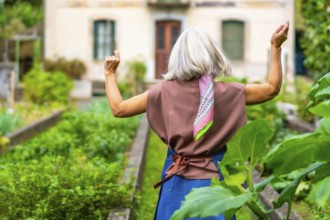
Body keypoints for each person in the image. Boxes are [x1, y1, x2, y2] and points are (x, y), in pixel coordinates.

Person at [104, 21, 289, 220]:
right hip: (212, 186)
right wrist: (276, 47)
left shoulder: (162, 92)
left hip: (175, 181)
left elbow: (119, 109)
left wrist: (109, 74)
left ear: (177, 57)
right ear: (213, 54)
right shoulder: (227, 93)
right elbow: (271, 89)